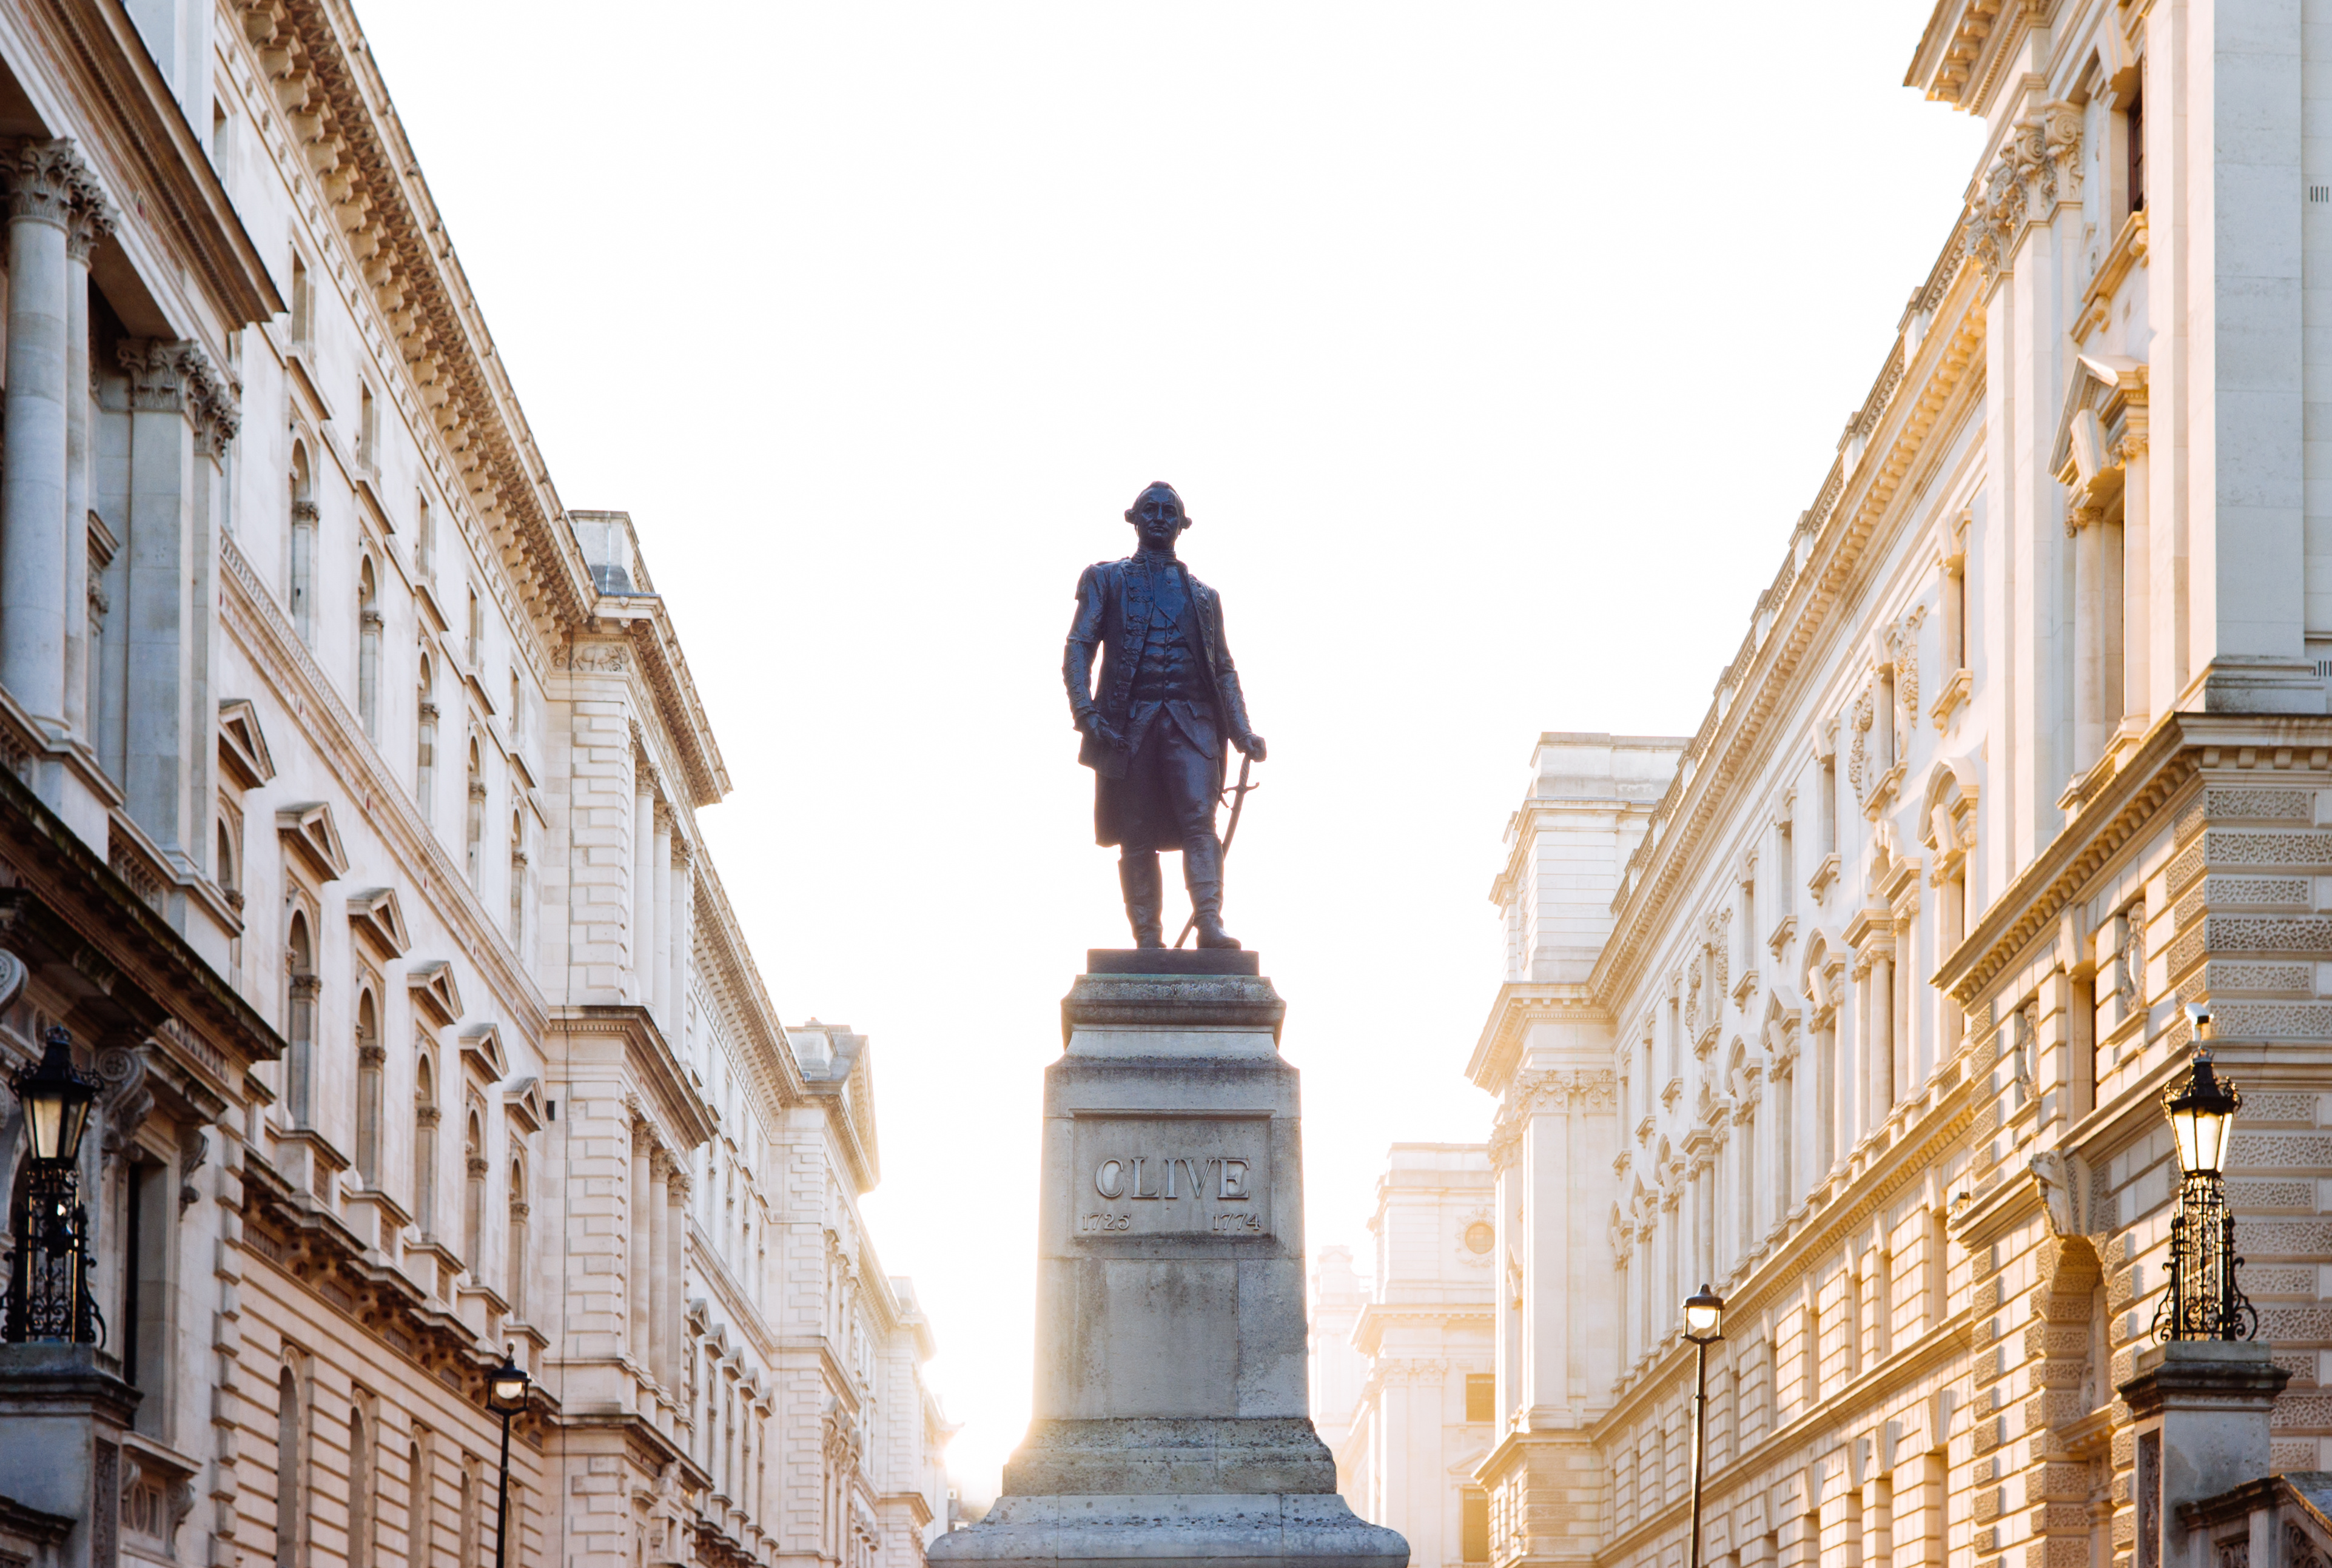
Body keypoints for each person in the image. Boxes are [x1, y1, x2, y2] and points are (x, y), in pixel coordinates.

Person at [1062, 481, 1266, 948]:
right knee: (1135, 834)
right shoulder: (1105, 578)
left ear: (1182, 524)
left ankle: (1209, 923)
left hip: (1192, 725)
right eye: (1149, 510)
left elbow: (1223, 667)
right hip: (1127, 726)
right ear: (1133, 518)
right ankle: (1148, 939)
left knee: (1200, 822)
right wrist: (1085, 712)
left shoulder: (1204, 596)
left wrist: (1242, 732)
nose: (1158, 517)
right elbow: (1078, 647)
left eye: (1168, 511)